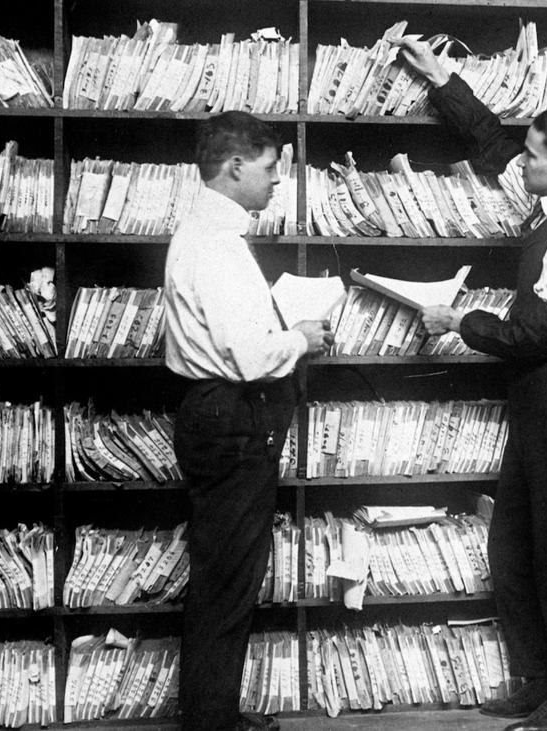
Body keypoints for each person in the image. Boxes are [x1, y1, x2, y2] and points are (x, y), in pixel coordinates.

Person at [396, 39, 547, 731]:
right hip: (538, 405)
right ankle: (538, 678)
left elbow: (531, 336)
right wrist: (445, 80)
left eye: (534, 157)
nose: (520, 162)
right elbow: (495, 148)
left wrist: (458, 318)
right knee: (514, 547)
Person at [164, 111, 333, 731]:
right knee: (229, 577)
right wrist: (300, 336)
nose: (275, 183)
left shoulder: (202, 232)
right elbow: (251, 354)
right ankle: (211, 721)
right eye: (268, 169)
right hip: (232, 415)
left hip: (214, 412)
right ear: (235, 167)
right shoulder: (220, 246)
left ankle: (211, 714)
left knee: (223, 571)